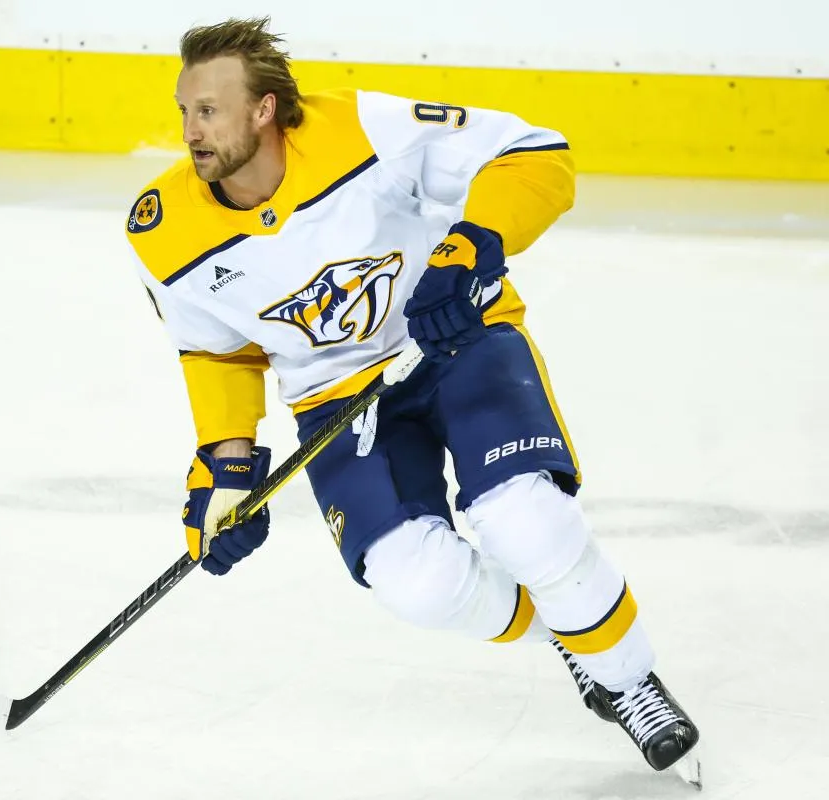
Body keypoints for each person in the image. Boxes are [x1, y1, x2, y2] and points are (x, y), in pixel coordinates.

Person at [123, 16, 699, 774]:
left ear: (263, 110)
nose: (191, 132)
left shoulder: (360, 129)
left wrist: (469, 248)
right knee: (418, 584)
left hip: (450, 337)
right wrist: (226, 469)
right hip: (338, 401)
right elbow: (216, 350)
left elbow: (536, 155)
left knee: (524, 521)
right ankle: (571, 624)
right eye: (184, 111)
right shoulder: (161, 231)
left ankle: (627, 679)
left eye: (209, 110)